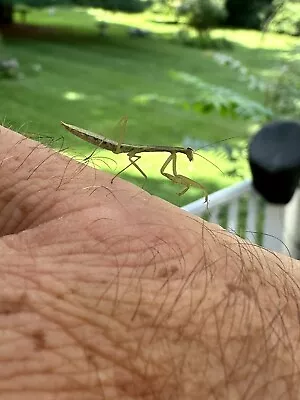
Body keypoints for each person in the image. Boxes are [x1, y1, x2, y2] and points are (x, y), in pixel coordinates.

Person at [0, 124, 299, 399]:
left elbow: (168, 172)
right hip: (113, 144)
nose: (186, 157)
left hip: (118, 147)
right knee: (125, 152)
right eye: (185, 154)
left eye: (186, 154)